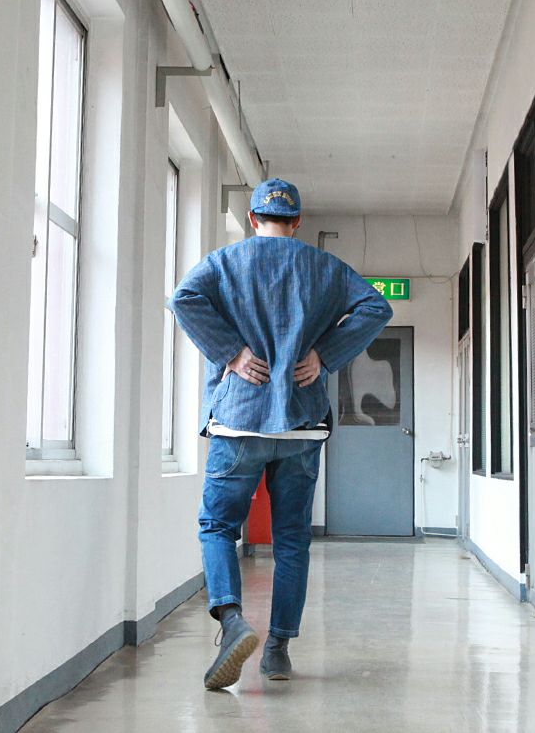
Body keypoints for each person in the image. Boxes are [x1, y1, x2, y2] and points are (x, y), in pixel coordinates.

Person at [168, 178, 392, 690]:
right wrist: (325, 355)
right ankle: (277, 650)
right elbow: (377, 308)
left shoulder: (226, 262)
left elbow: (183, 299)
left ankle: (232, 621)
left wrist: (231, 352)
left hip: (239, 420)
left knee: (218, 526)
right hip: (301, 424)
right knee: (292, 539)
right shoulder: (324, 267)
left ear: (253, 219)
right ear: (297, 222)